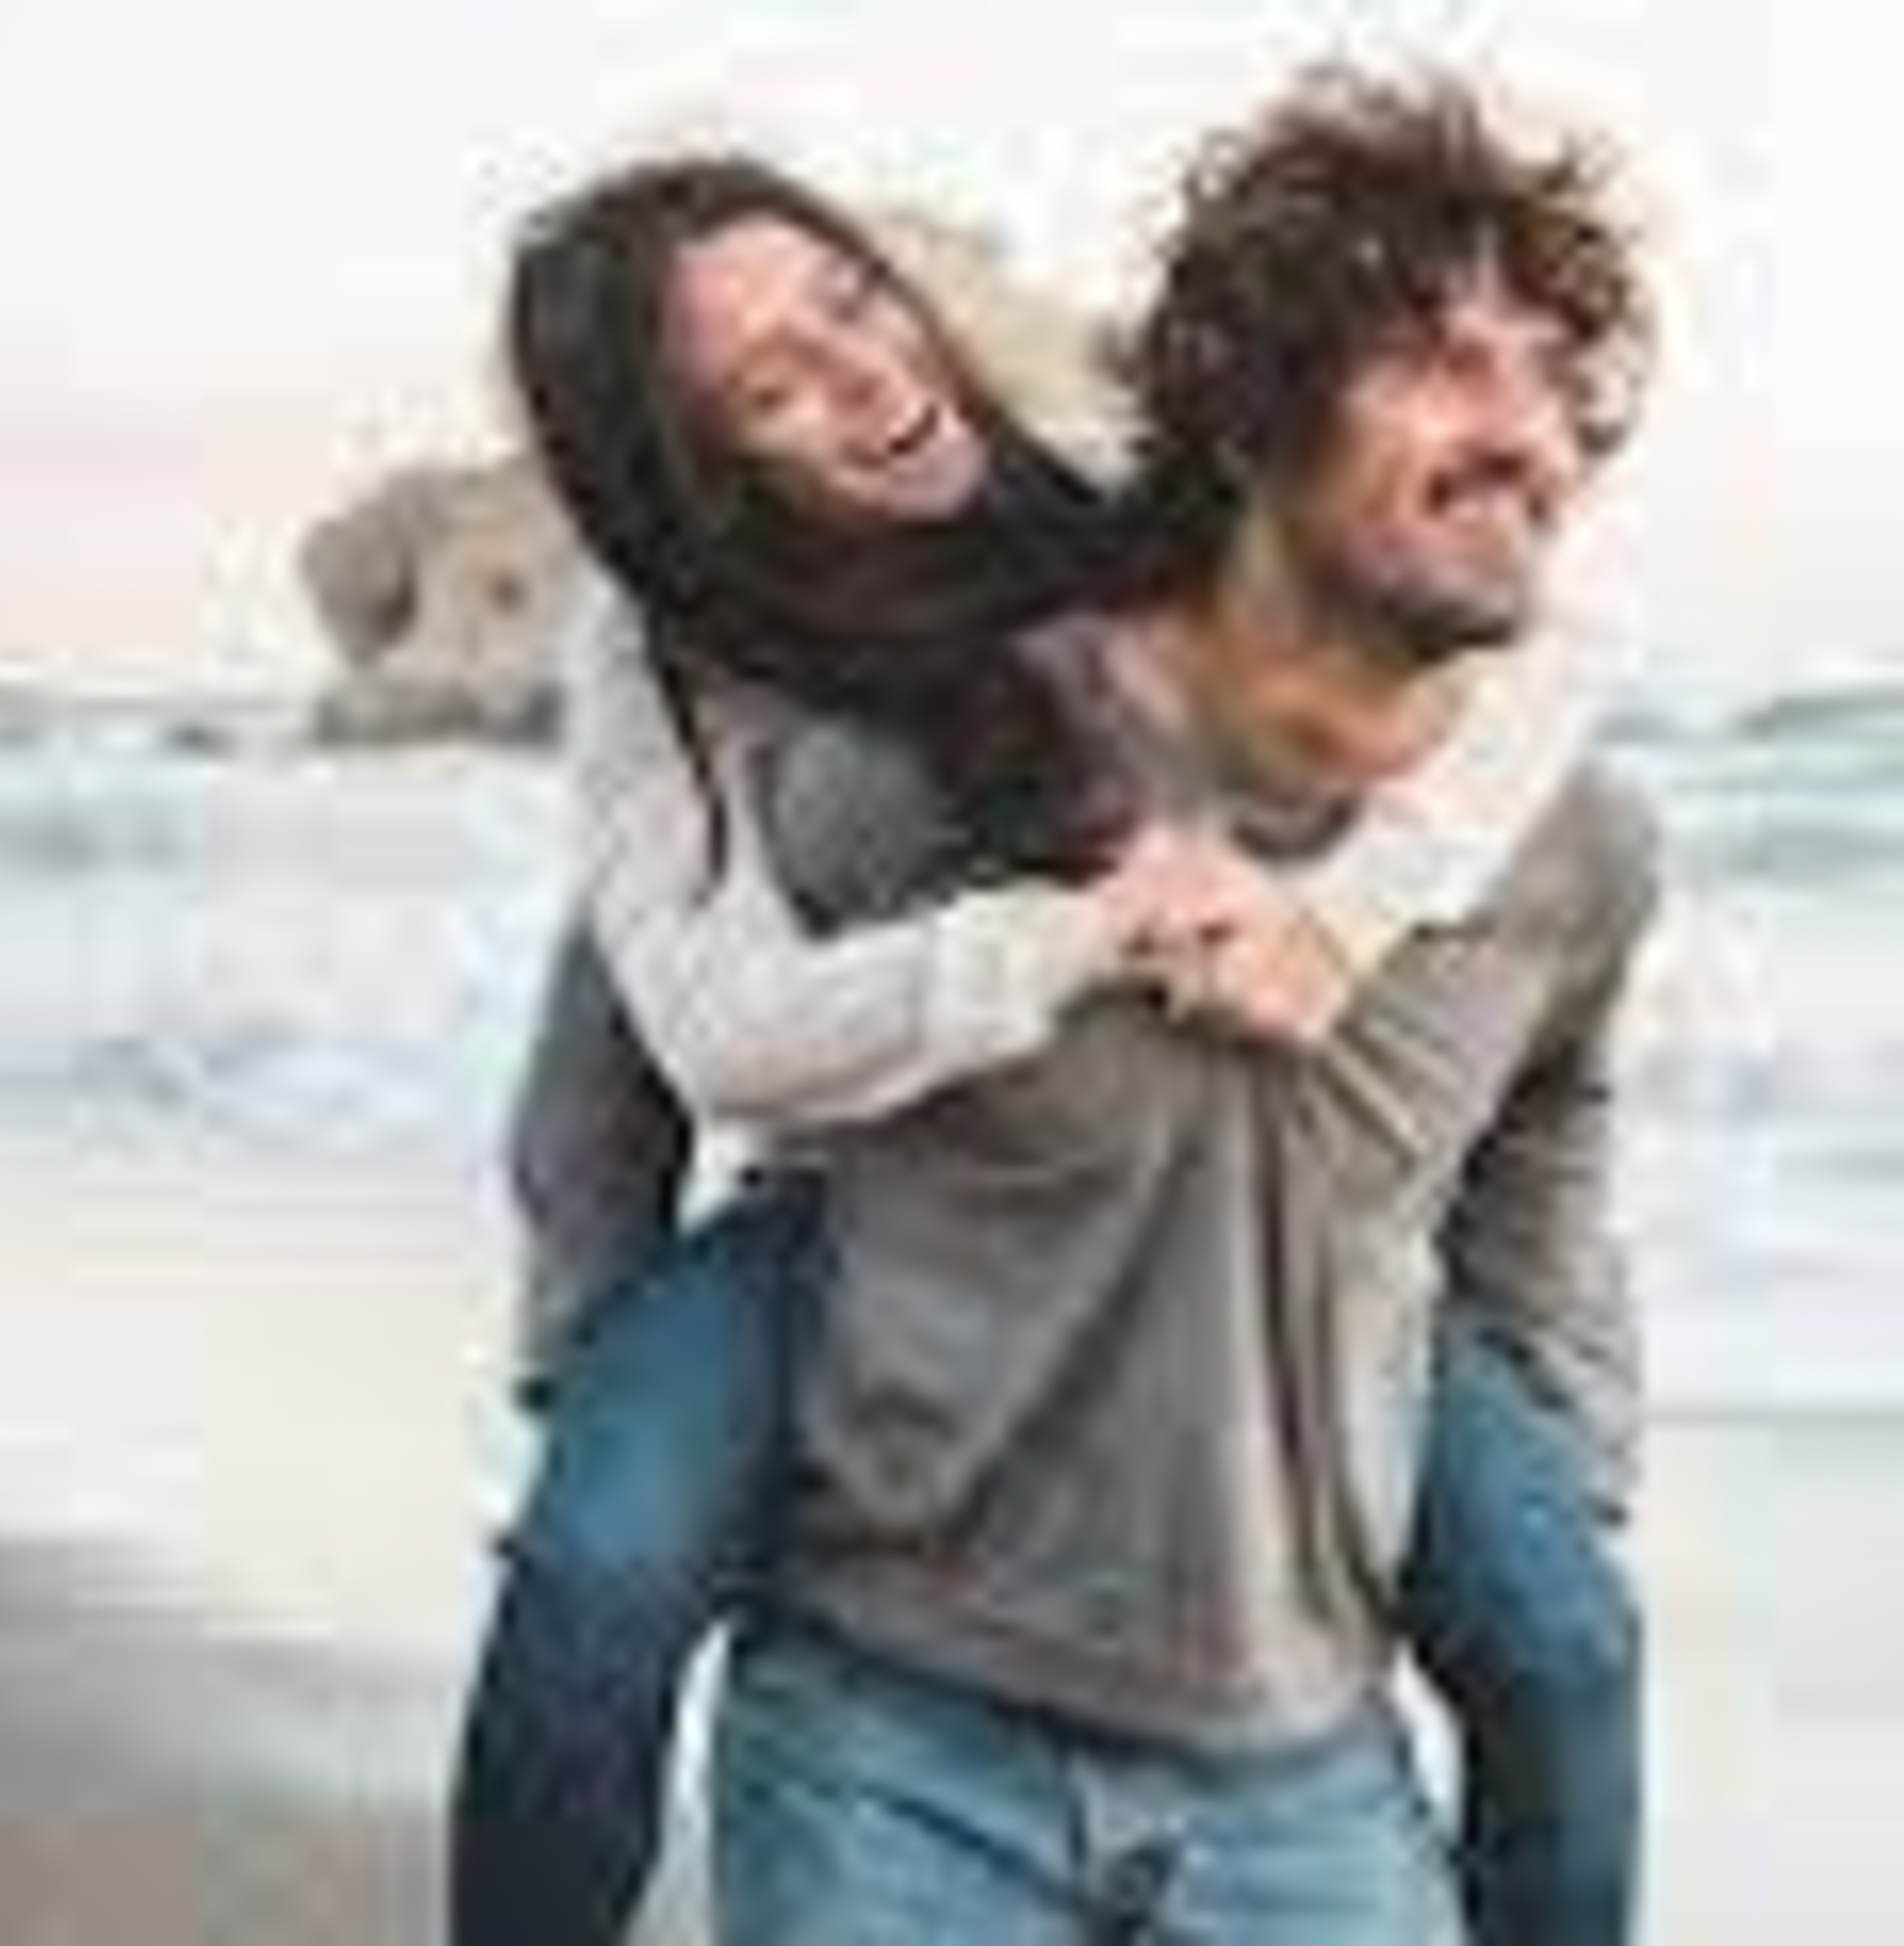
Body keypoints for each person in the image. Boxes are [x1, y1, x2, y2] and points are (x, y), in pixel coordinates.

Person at [452, 69, 1645, 1945]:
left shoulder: (1096, 505)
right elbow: (648, 1034)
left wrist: (1356, 909)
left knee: (1566, 1637)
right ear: (690, 478)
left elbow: (1537, 650)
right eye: (769, 389)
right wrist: (600, 1364)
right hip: (854, 1173)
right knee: (598, 1576)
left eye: (853, 301)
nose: (864, 381)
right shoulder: (691, 677)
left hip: (1269, 1279)